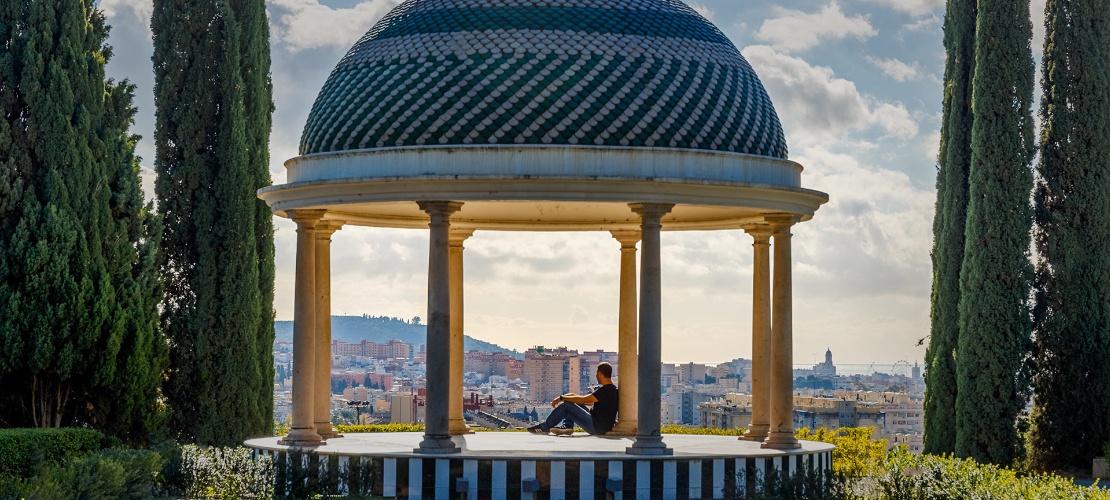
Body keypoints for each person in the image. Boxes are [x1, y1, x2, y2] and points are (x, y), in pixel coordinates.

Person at [528, 362, 618, 436]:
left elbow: (585, 400)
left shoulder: (605, 390)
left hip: (596, 427)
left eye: (596, 373)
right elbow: (583, 400)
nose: (596, 376)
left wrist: (561, 398)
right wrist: (567, 397)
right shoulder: (612, 389)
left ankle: (544, 428)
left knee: (566, 406)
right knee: (570, 401)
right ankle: (568, 425)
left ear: (600, 374)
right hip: (599, 424)